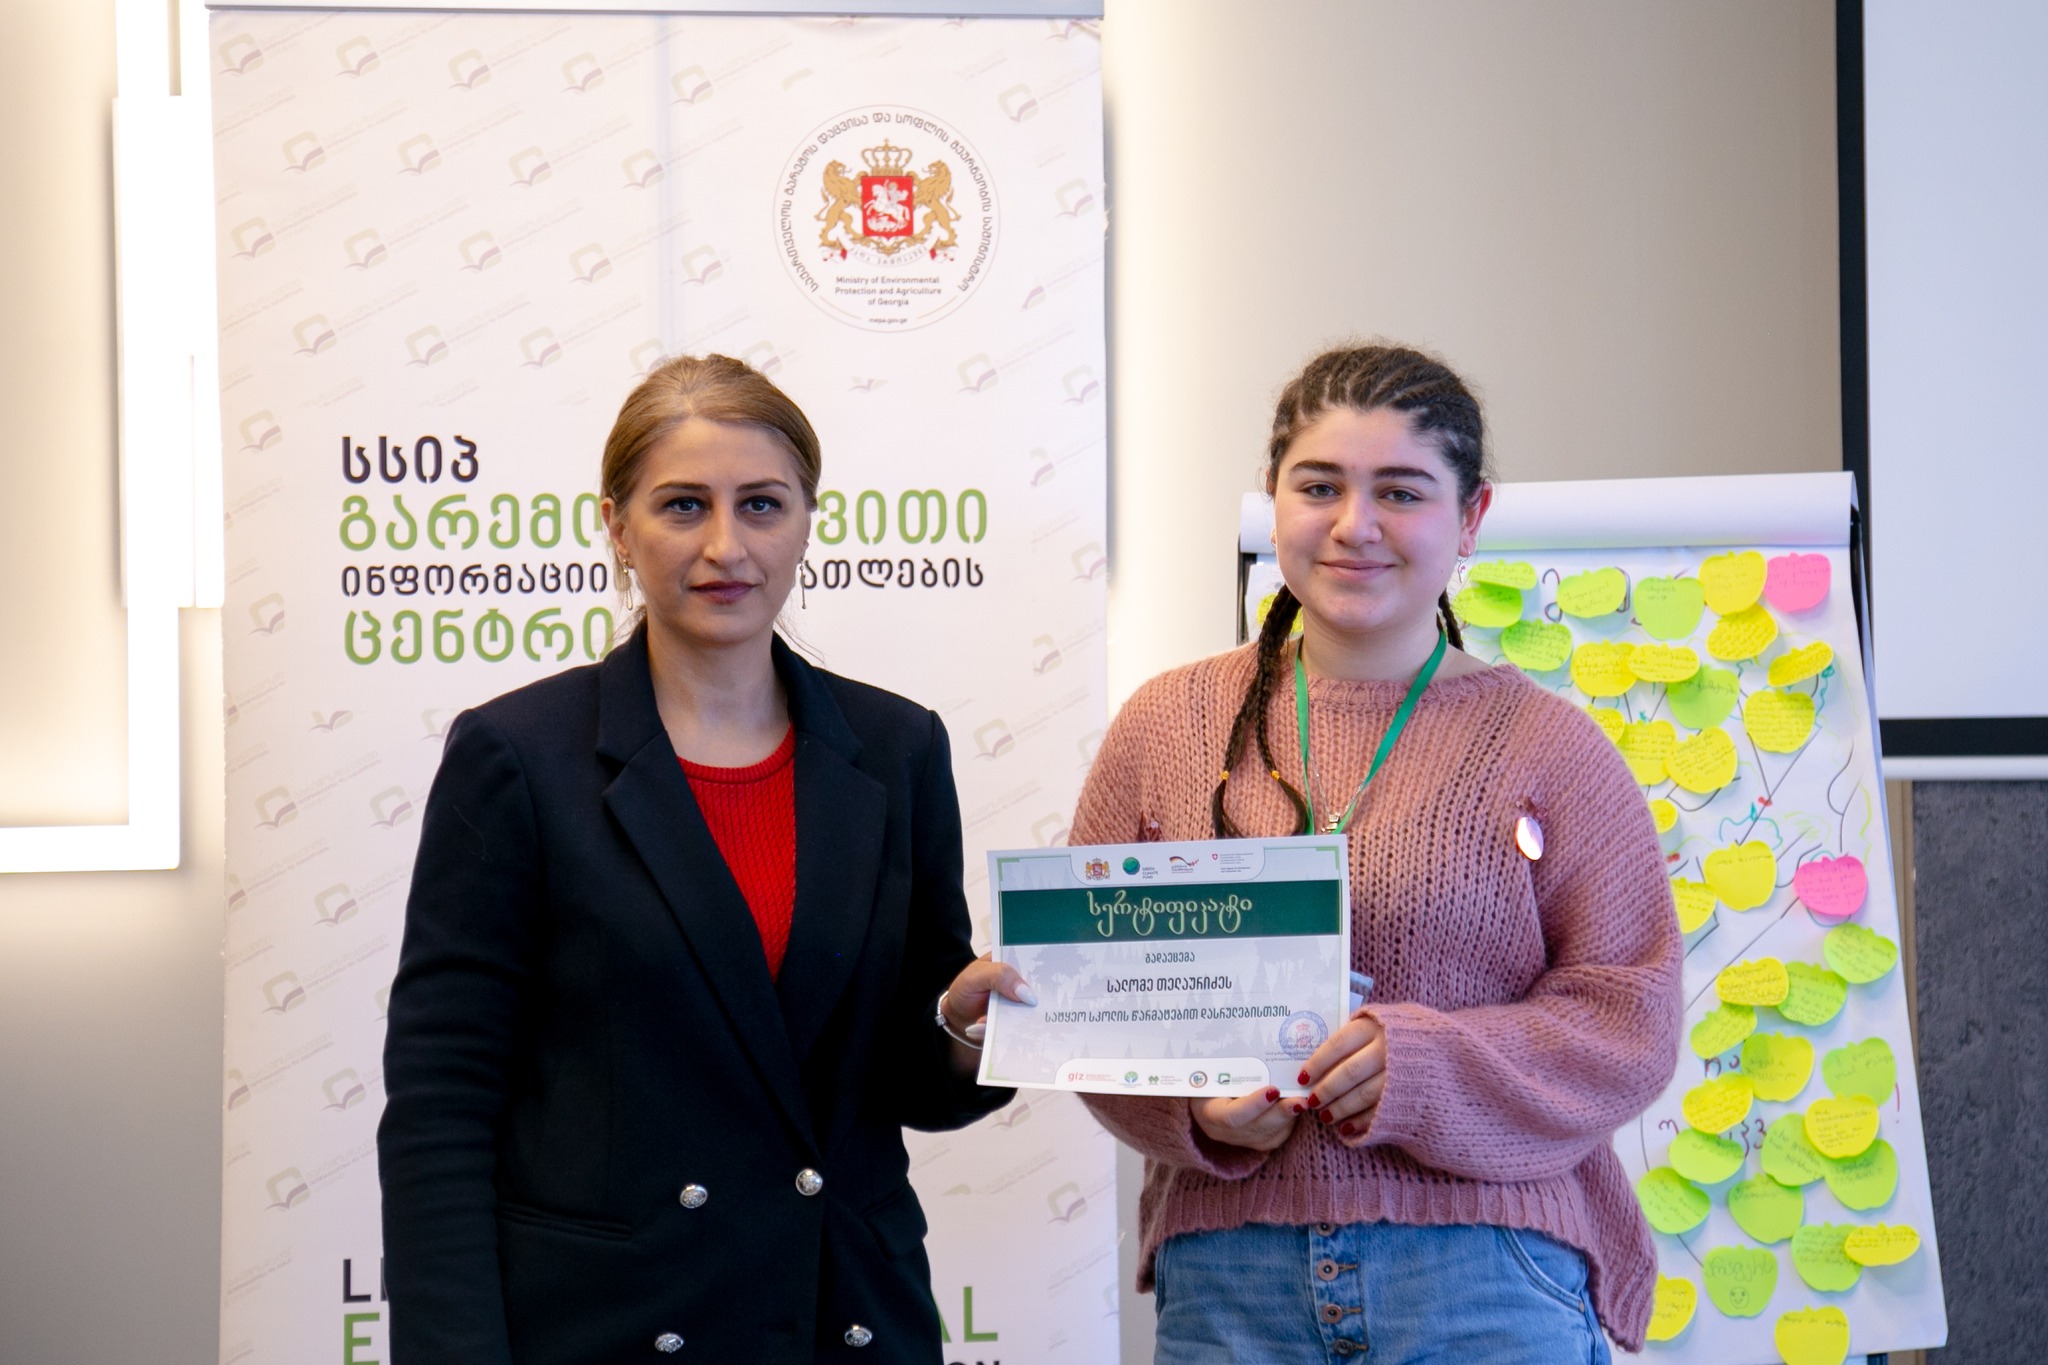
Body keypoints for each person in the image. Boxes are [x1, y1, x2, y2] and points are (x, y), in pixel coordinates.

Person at [378, 354, 1029, 1364]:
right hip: (611, 1326)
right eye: (683, 505)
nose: (726, 545)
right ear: (616, 525)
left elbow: (898, 1071)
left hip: (841, 1316)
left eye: (761, 504)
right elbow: (440, 1103)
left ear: (806, 520)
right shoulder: (516, 756)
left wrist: (962, 1030)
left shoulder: (896, 747)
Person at [1073, 344, 1682, 1361]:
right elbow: (1091, 991)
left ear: (1471, 517)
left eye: (1400, 491)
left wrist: (1427, 1066)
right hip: (1230, 1282)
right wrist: (1192, 1108)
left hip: (1487, 1273)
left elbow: (1629, 1021)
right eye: (1319, 486)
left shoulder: (1552, 749)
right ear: (1273, 500)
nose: (1355, 524)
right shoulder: (1166, 727)